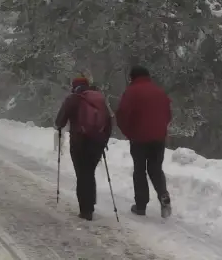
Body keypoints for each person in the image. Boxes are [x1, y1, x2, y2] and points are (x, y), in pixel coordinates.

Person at [115, 65, 172, 218]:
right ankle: (163, 195)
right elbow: (168, 113)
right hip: (158, 138)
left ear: (132, 77)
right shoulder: (159, 92)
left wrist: (129, 133)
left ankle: (141, 205)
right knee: (155, 168)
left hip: (139, 138)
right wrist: (161, 130)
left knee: (139, 170)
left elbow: (121, 115)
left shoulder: (131, 92)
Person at [55, 77, 112, 221]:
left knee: (82, 174)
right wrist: (103, 140)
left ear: (74, 87)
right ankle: (90, 204)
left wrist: (62, 126)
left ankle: (86, 209)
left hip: (79, 142)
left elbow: (59, 121)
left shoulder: (73, 99)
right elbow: (109, 121)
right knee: (89, 172)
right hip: (97, 143)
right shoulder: (99, 100)